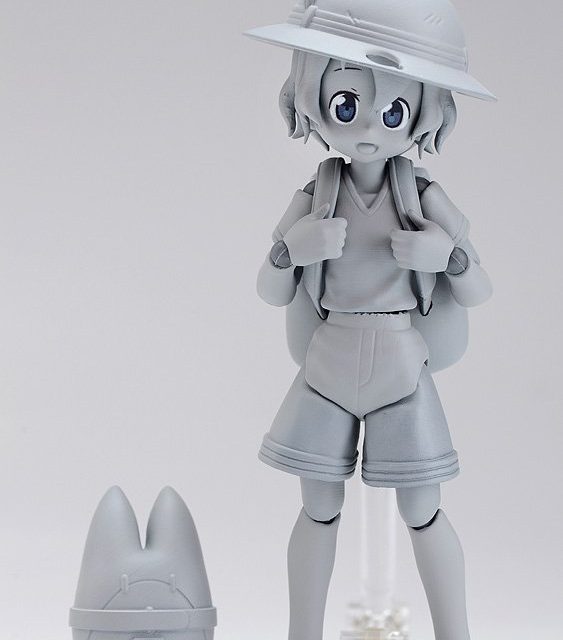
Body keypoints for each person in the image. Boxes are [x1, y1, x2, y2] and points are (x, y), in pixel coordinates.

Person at [246, 2, 494, 639]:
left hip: (400, 363)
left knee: (423, 508)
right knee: (318, 505)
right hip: (328, 362)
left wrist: (447, 256)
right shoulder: (317, 193)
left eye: (394, 112)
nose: (367, 129)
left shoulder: (422, 194)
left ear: (422, 113)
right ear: (313, 97)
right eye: (346, 104)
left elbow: (478, 286)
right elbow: (270, 289)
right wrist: (292, 250)